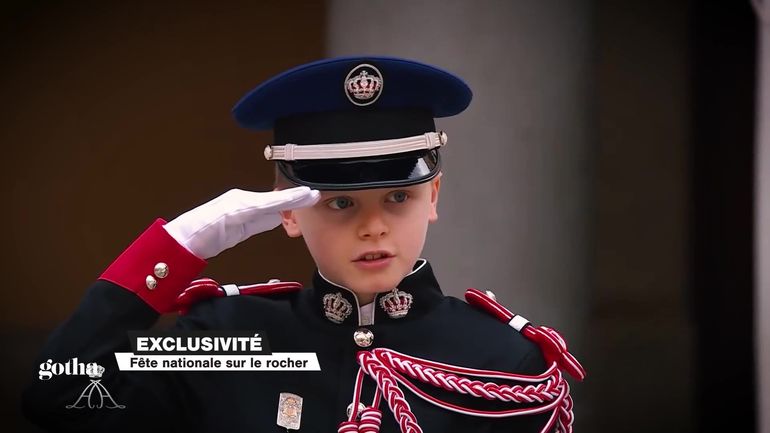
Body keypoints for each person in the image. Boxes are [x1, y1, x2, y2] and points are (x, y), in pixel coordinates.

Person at [22, 56, 584, 433]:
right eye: (340, 203)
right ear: (288, 212)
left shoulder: (505, 364)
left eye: (398, 198)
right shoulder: (224, 340)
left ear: (433, 195)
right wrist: (174, 246)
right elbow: (59, 395)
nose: (374, 228)